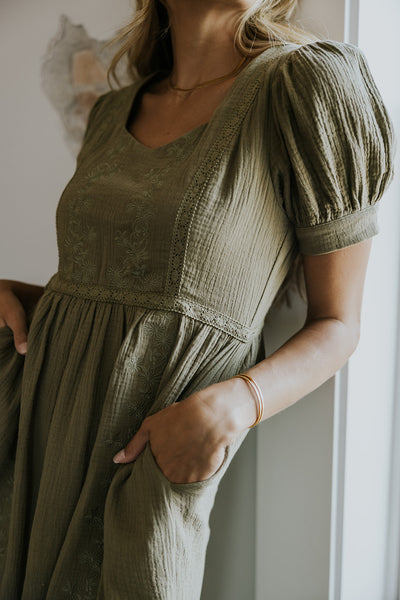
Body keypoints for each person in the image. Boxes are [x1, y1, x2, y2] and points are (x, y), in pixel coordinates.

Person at [0, 0, 395, 598]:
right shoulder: (110, 113)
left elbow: (340, 322)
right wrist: (14, 295)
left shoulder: (308, 82)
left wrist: (236, 405)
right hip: (35, 432)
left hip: (151, 452)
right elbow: (103, 292)